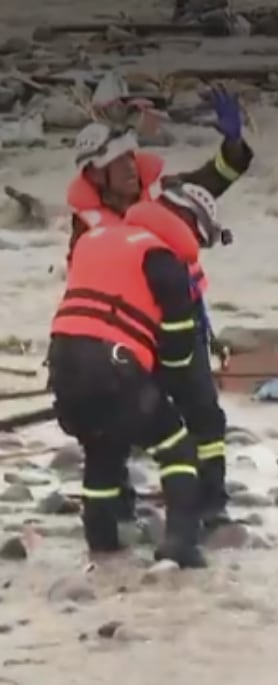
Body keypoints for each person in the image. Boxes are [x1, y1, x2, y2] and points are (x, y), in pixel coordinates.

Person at [65, 87, 252, 535]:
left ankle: (211, 502)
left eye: (133, 160)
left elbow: (221, 174)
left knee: (203, 413)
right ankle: (122, 508)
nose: (131, 170)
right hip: (128, 339)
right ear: (96, 176)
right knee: (121, 425)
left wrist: (233, 142)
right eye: (118, 165)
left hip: (182, 321)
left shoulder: (167, 195)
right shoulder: (85, 225)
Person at [47, 183, 225, 568]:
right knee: (175, 446)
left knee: (103, 445)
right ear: (188, 226)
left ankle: (102, 542)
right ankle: (179, 543)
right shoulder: (163, 259)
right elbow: (178, 351)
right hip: (114, 367)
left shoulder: (95, 239)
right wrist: (171, 392)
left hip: (62, 362)